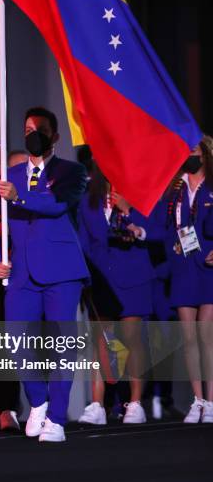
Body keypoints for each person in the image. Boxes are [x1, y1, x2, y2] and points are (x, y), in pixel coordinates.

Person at [0, 106, 89, 442]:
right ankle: (38, 400)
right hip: (21, 273)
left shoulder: (71, 172)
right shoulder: (10, 175)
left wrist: (20, 198)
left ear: (55, 136)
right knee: (16, 339)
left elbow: (57, 205)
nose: (34, 134)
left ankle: (58, 419)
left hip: (62, 270)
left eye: (41, 129)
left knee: (62, 344)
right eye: (29, 128)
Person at [77, 163, 155, 425]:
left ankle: (135, 403)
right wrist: (87, 276)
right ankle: (97, 404)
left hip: (134, 275)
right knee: (102, 341)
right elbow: (84, 240)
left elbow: (156, 230)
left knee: (132, 339)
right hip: (101, 278)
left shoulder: (139, 192)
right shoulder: (89, 197)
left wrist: (127, 209)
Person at [163, 137, 213, 423]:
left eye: (195, 152)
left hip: (207, 268)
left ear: (206, 155)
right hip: (183, 268)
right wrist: (173, 245)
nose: (191, 157)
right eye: (187, 153)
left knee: (207, 335)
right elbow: (166, 226)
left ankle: (212, 400)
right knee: (189, 337)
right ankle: (199, 400)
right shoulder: (175, 188)